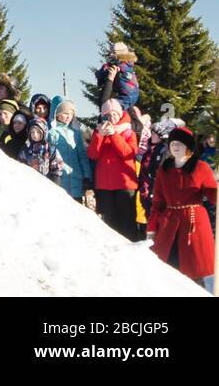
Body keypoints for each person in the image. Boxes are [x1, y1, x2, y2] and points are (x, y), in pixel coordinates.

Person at [146, 126, 217, 286]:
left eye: (180, 143)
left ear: (188, 147)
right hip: (169, 223)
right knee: (168, 268)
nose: (175, 146)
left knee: (193, 269)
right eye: (173, 143)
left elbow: (213, 197)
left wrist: (216, 188)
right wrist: (152, 226)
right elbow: (158, 202)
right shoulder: (164, 170)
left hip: (194, 224)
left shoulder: (201, 167)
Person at [88, 99, 140, 240]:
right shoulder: (98, 132)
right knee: (110, 224)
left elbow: (128, 153)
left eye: (115, 114)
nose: (112, 118)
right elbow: (93, 154)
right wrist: (100, 135)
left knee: (128, 222)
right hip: (105, 186)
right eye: (108, 115)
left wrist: (114, 135)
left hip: (125, 184)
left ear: (120, 114)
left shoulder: (129, 132)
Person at [48, 97, 93, 202]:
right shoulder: (52, 133)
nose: (68, 117)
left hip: (76, 181)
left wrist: (87, 175)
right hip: (59, 180)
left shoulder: (75, 133)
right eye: (65, 113)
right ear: (57, 114)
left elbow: (82, 155)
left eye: (71, 114)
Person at [94, 42, 140, 109]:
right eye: (111, 52)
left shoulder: (122, 64)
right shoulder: (123, 63)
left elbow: (122, 68)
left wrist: (102, 72)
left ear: (120, 54)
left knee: (109, 107)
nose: (111, 54)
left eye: (114, 52)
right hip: (129, 95)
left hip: (126, 97)